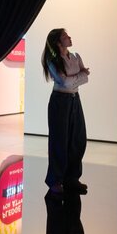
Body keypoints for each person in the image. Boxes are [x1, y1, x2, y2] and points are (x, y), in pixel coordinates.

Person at [41, 28, 89, 195]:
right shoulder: (53, 60)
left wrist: (73, 80)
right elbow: (64, 82)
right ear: (58, 42)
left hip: (75, 100)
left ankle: (72, 179)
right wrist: (79, 77)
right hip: (60, 102)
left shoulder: (75, 57)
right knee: (59, 141)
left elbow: (84, 78)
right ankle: (55, 180)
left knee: (78, 139)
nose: (69, 37)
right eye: (65, 36)